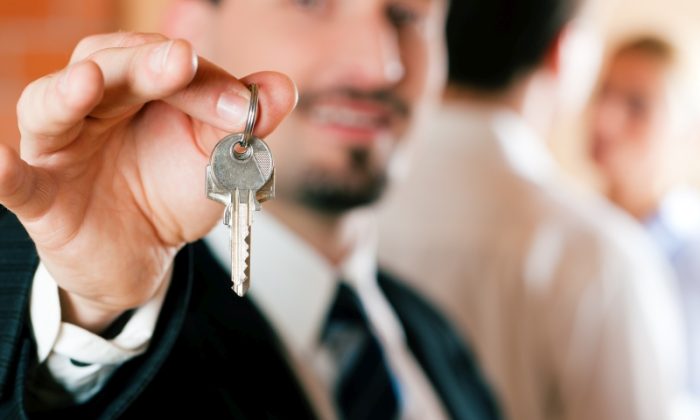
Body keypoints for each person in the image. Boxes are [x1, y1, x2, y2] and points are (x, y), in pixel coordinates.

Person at [0, 0, 499, 418]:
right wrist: (90, 316)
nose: (380, 66)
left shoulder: (438, 339)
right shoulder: (102, 327)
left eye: (410, 15)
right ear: (192, 27)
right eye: (312, 3)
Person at [377, 1, 687, 419]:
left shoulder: (347, 212)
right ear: (564, 50)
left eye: (637, 104)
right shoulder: (599, 259)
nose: (608, 119)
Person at [589, 34, 700, 399]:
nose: (604, 119)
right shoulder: (566, 231)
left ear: (690, 130)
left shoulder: (692, 255)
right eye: (602, 93)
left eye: (638, 105)